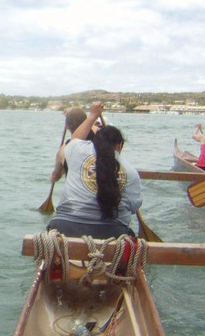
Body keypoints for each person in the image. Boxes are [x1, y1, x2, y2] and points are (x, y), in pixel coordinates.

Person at [47, 102, 143, 239]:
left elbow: (74, 140)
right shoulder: (131, 172)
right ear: (120, 145)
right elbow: (133, 207)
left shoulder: (76, 150)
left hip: (65, 225)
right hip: (112, 232)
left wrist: (92, 115)